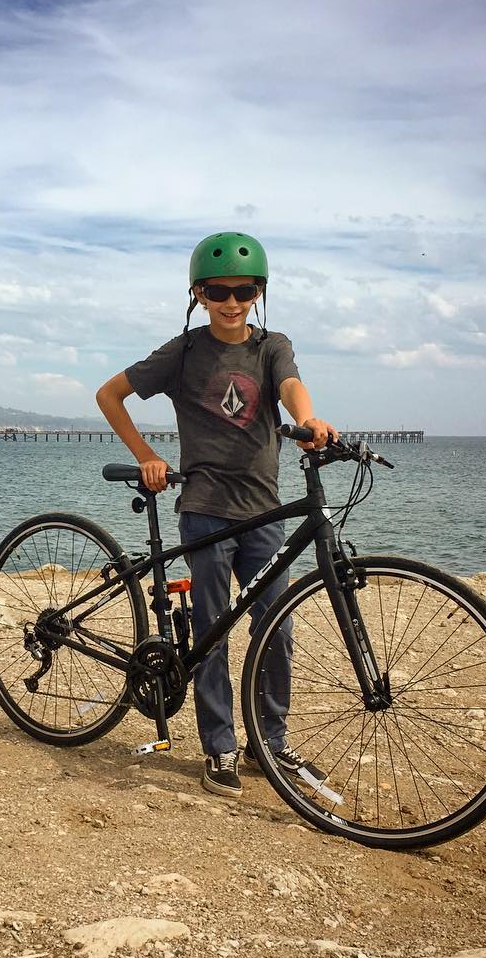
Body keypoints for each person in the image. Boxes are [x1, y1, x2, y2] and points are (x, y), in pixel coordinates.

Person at [95, 232, 337, 798]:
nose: (232, 302)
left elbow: (292, 384)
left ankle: (269, 745)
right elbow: (110, 395)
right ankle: (219, 746)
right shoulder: (182, 353)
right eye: (218, 291)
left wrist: (309, 421)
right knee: (211, 633)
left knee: (276, 629)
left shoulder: (270, 345)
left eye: (244, 290)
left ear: (259, 292)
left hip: (264, 512)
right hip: (203, 510)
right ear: (198, 294)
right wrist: (147, 456)